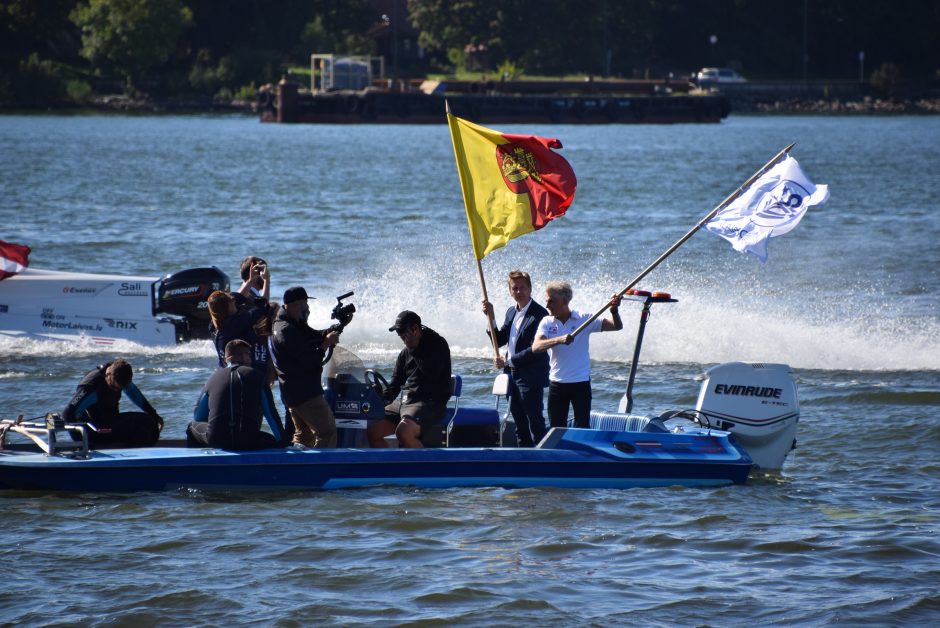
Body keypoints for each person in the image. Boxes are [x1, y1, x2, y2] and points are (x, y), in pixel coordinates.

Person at [532, 281, 623, 429]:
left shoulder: (584, 319)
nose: (547, 305)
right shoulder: (547, 322)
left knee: (582, 427)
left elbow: (616, 326)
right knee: (556, 429)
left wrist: (614, 310)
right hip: (557, 384)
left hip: (580, 384)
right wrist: (559, 340)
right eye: (546, 301)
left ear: (565, 301)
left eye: (551, 301)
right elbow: (536, 347)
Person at [481, 270, 550, 446]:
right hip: (510, 374)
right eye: (515, 288)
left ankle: (542, 460)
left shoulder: (540, 314)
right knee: (519, 423)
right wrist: (491, 318)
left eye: (522, 288)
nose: (519, 292)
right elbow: (501, 339)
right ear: (510, 291)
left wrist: (509, 361)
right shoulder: (511, 311)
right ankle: (524, 459)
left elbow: (535, 350)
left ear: (530, 289)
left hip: (530, 376)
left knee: (535, 422)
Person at [367, 311, 452, 449]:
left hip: (430, 402)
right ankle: (393, 467)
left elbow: (432, 373)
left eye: (402, 332)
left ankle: (422, 468)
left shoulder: (437, 344)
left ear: (415, 329)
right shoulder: (405, 353)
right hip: (407, 401)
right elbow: (395, 384)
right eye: (398, 333)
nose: (400, 336)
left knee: (404, 432)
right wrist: (379, 398)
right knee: (373, 431)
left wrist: (414, 348)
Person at [269, 286, 341, 448]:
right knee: (327, 432)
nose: (307, 308)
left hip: (295, 394)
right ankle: (322, 471)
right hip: (305, 394)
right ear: (295, 304)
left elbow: (310, 336)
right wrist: (326, 344)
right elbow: (310, 360)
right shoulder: (286, 330)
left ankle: (295, 470)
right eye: (305, 304)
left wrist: (330, 331)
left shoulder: (289, 323)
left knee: (304, 436)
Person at [186, 339, 282, 450]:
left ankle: (200, 462)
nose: (250, 359)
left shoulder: (212, 378)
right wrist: (282, 442)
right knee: (271, 440)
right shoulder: (258, 376)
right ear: (243, 356)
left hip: (217, 440)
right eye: (249, 355)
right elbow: (271, 415)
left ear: (226, 358)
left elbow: (198, 416)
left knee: (191, 427)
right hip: (250, 441)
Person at [62, 358, 163, 446]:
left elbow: (135, 395)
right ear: (108, 374)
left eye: (121, 388)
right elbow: (67, 414)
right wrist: (81, 444)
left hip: (110, 423)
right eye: (114, 387)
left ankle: (132, 450)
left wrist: (154, 415)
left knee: (151, 423)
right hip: (96, 432)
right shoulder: (91, 387)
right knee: (147, 425)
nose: (116, 390)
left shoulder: (120, 373)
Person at [207, 290, 269, 369]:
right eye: (231, 300)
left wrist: (250, 281)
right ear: (226, 307)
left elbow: (237, 297)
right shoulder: (235, 325)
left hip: (226, 372)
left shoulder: (215, 325)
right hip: (245, 373)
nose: (234, 301)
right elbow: (261, 307)